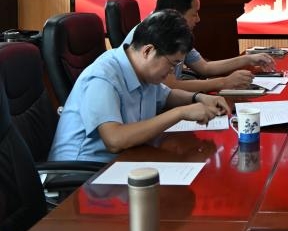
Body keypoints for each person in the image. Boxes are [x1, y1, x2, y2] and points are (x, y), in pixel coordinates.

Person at [48, 10, 231, 163]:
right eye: (172, 64)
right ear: (148, 51)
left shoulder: (143, 70)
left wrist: (199, 98)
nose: (172, 71)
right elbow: (115, 140)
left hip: (125, 161)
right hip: (82, 175)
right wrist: (181, 113)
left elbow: (166, 96)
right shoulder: (103, 77)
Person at [124, 0, 276, 92]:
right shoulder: (155, 32)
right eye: (194, 13)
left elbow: (205, 67)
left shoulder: (172, 28)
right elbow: (171, 86)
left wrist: (248, 59)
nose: (198, 19)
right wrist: (224, 82)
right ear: (176, 13)